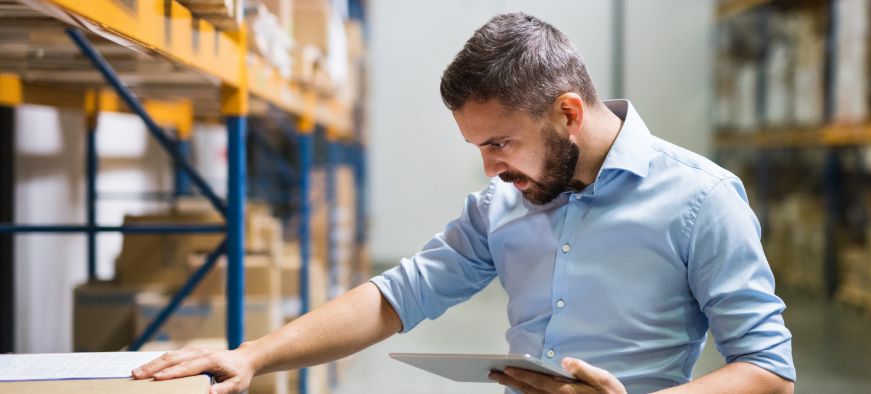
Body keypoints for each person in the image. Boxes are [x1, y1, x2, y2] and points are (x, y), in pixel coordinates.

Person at [133, 12, 796, 394]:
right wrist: (254, 354)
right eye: (479, 146)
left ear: (567, 113)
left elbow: (768, 370)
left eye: (501, 142)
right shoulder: (501, 207)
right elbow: (396, 295)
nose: (489, 167)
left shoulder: (701, 199)